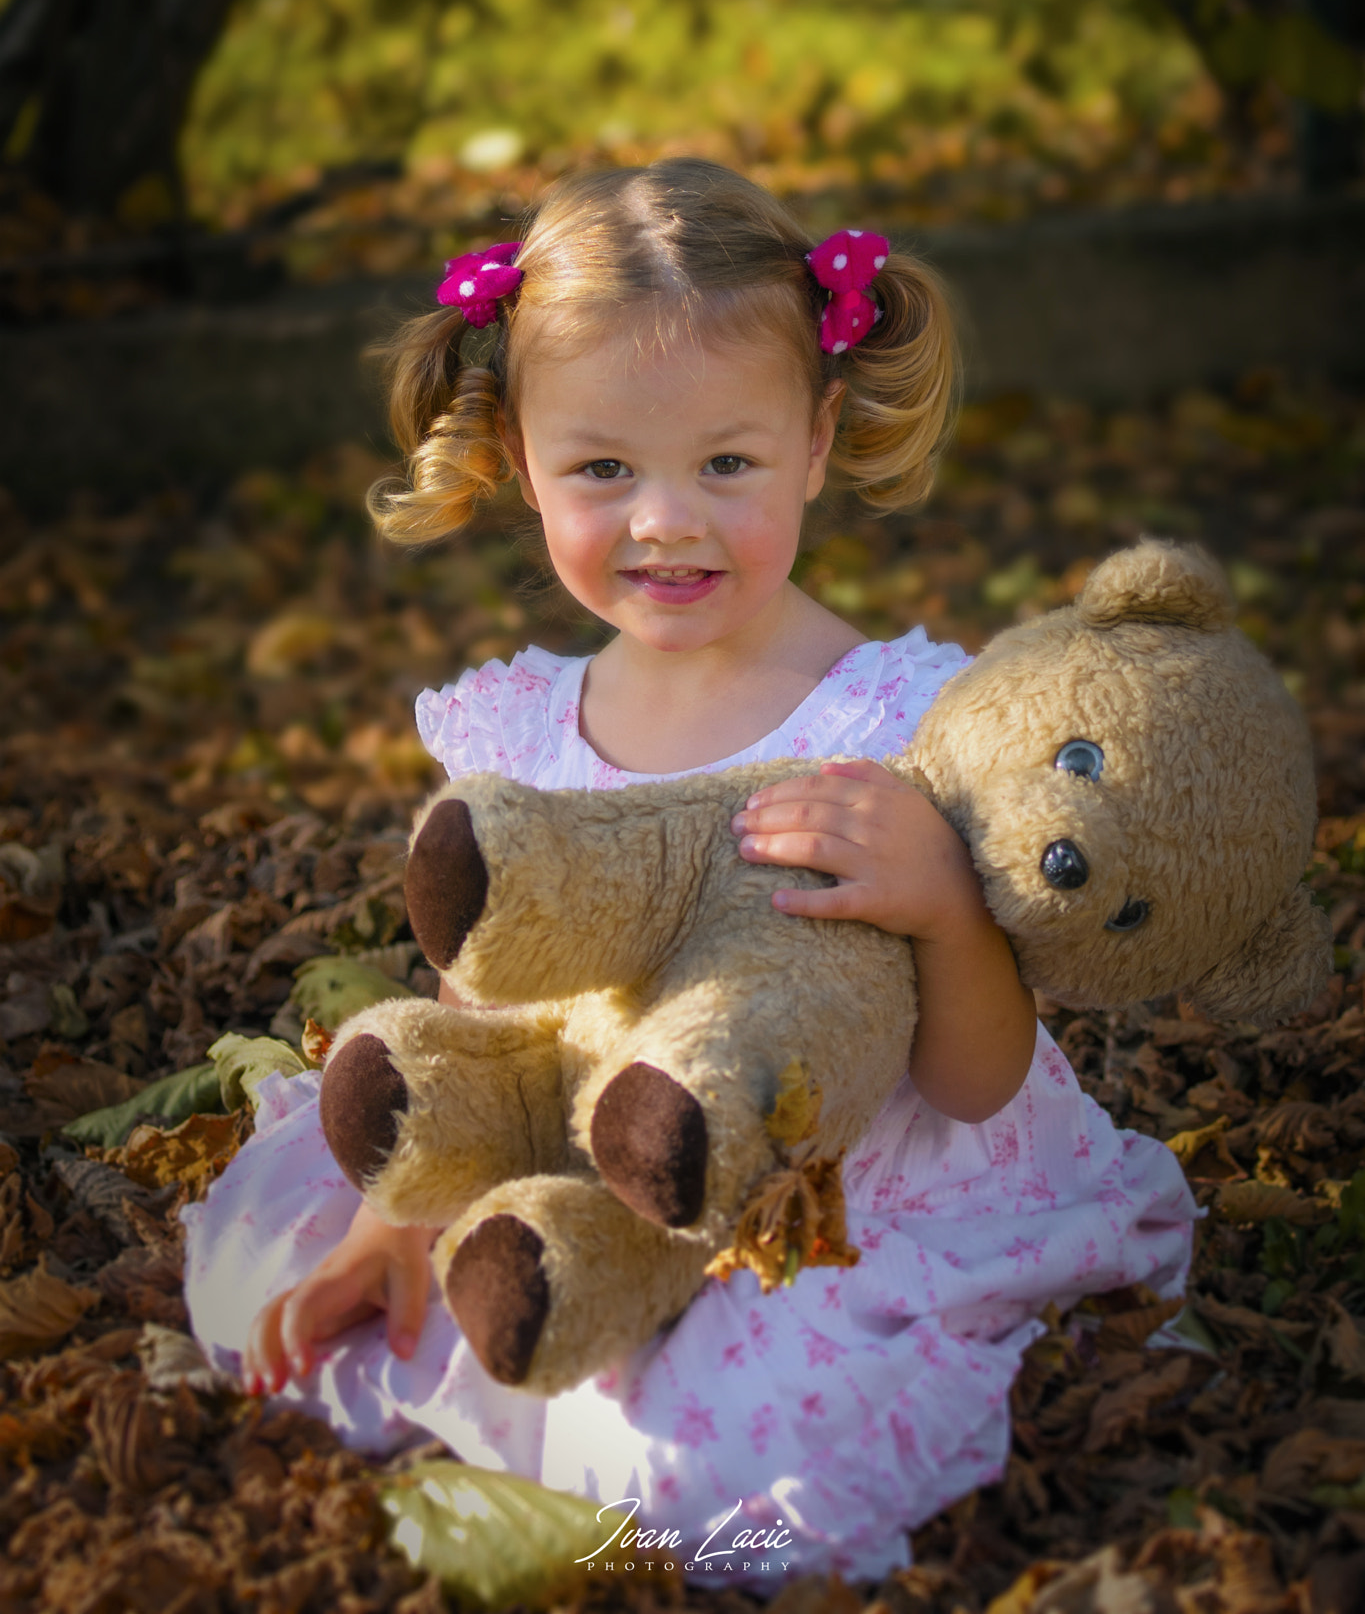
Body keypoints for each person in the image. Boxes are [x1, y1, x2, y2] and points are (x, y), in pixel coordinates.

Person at [184, 159, 1194, 1582]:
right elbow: (482, 1023)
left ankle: (651, 1461)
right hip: (579, 1180)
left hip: (833, 1214)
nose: (665, 522)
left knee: (727, 1462)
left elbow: (974, 1084)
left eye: (726, 463)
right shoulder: (522, 733)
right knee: (263, 1274)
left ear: (818, 439)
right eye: (603, 469)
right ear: (517, 455)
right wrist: (392, 1223)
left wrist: (945, 908)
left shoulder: (902, 727)